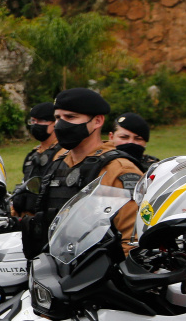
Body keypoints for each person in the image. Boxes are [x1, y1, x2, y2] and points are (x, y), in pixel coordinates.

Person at [21, 88, 143, 259]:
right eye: (57, 118)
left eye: (70, 117)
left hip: (98, 278)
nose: (60, 124)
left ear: (98, 121)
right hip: (54, 271)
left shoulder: (118, 169)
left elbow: (133, 239)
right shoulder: (58, 162)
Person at [12, 102, 61, 217]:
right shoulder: (32, 155)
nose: (35, 124)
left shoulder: (62, 153)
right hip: (24, 219)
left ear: (55, 123)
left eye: (41, 121)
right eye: (33, 121)